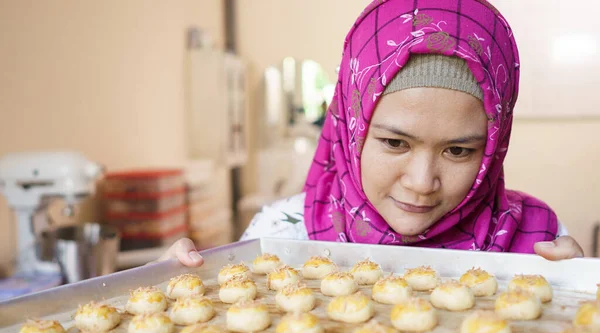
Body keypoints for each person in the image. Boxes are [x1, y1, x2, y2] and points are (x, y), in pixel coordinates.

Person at [159, 0, 583, 267]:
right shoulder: (281, 238)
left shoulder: (537, 244)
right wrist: (173, 286)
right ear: (351, 129)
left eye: (458, 150)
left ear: (494, 147)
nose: (421, 183)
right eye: (395, 143)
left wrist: (578, 298)